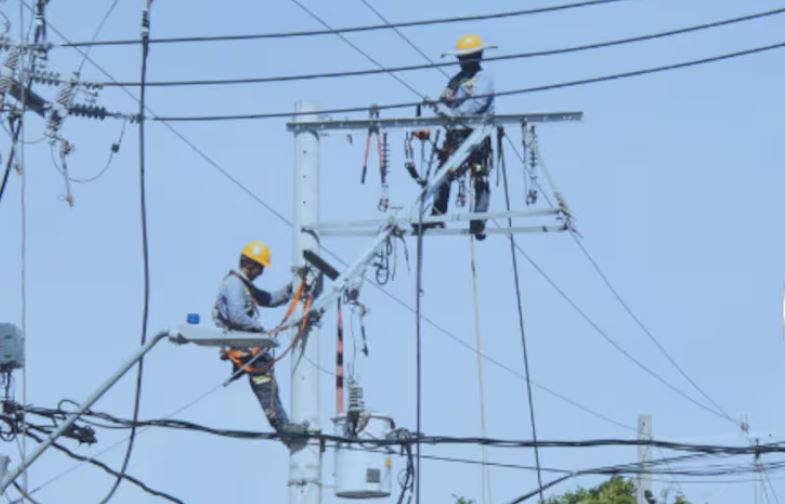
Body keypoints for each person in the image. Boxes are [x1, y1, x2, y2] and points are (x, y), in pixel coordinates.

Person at [213, 240, 307, 439]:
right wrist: (261, 331)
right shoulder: (235, 284)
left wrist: (294, 287)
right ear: (251, 265)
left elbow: (269, 299)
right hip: (243, 344)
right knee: (265, 382)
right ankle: (282, 426)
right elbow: (237, 315)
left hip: (246, 342)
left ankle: (283, 425)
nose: (261, 273)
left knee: (266, 379)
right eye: (260, 268)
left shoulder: (243, 284)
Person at [430, 34, 496, 240]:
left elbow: (477, 104)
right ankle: (437, 215)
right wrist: (440, 109)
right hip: (456, 137)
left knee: (480, 174)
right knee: (443, 174)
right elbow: (444, 99)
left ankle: (478, 220)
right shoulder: (456, 80)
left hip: (477, 136)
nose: (463, 61)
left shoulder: (483, 80)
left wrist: (455, 114)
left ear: (478, 56)